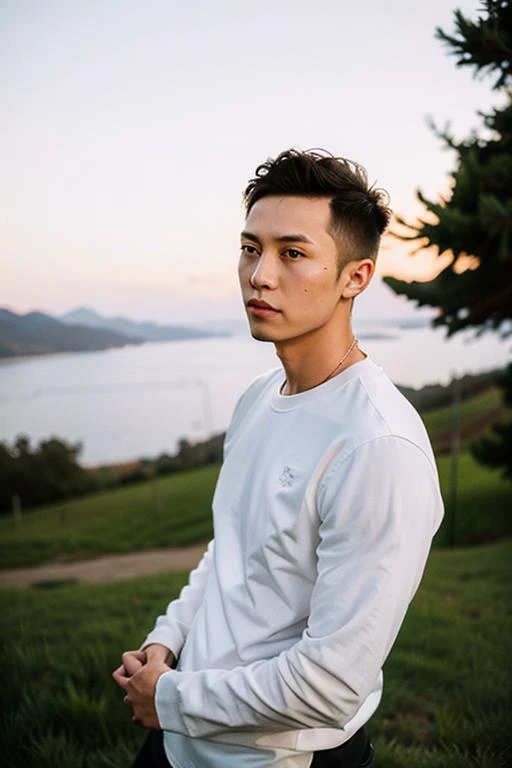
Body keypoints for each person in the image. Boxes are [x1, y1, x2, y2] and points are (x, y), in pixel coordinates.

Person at [113, 149, 444, 768]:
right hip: (180, 736)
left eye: (292, 253)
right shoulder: (258, 398)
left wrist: (174, 699)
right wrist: (165, 643)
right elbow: (230, 550)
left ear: (356, 276)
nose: (260, 274)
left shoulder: (380, 446)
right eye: (249, 248)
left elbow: (331, 684)